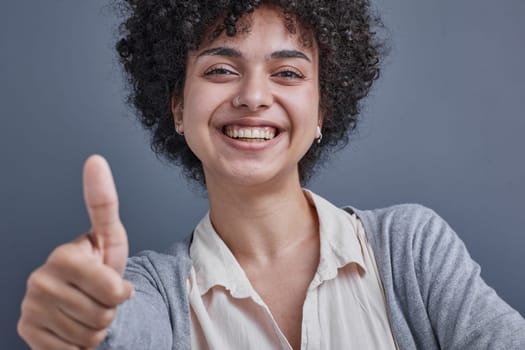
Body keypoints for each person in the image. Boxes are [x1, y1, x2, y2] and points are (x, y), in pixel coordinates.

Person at [17, 1, 525, 349]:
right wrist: (80, 327)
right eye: (220, 69)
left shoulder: (411, 249)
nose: (254, 96)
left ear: (323, 108)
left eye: (288, 72)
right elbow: (117, 331)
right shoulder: (150, 291)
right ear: (177, 106)